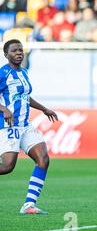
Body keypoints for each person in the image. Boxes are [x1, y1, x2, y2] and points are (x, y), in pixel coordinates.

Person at [0, 39, 58, 214]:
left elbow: (25, 96)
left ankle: (29, 205)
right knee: (7, 167)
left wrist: (44, 109)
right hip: (9, 126)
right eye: (14, 51)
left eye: (20, 50)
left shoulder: (24, 72)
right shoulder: (3, 74)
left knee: (43, 159)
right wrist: (4, 109)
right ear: (6, 55)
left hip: (25, 126)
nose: (19, 53)